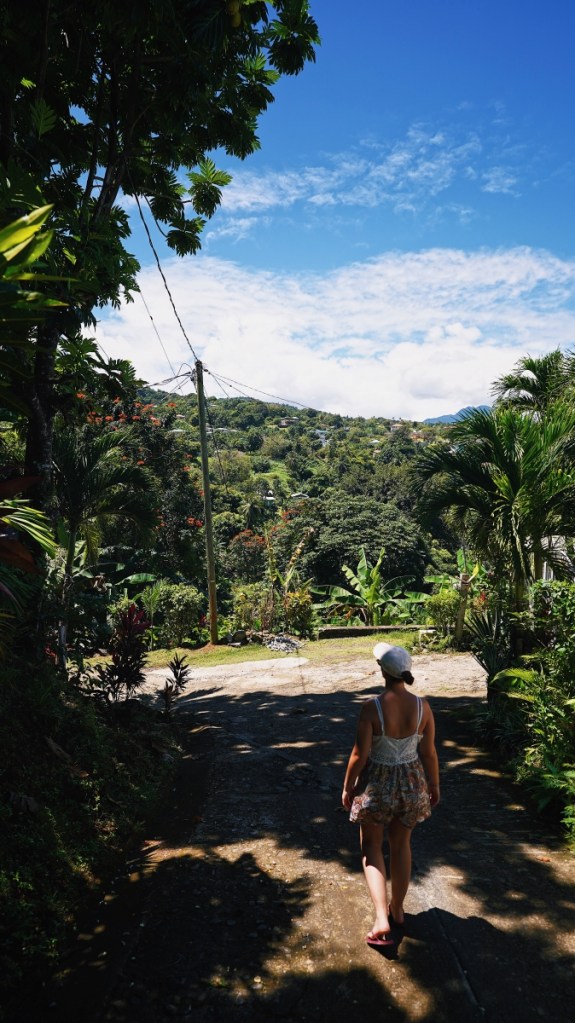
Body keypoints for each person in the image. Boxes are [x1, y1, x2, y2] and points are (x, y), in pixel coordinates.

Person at [342, 642, 440, 947]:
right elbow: (429, 753)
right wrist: (434, 787)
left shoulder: (372, 707)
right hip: (412, 784)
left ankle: (381, 919)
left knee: (371, 846)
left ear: (382, 671)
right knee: (401, 846)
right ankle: (397, 910)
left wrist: (348, 785)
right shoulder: (423, 707)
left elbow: (360, 753)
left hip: (378, 785)